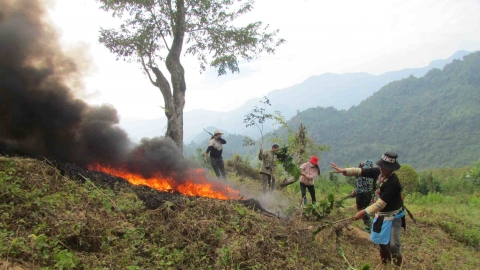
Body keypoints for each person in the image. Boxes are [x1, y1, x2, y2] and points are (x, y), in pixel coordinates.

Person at [330, 152, 405, 267]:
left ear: (391, 169)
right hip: (381, 216)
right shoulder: (379, 173)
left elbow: (380, 204)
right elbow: (362, 171)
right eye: (382, 165)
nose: (382, 168)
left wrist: (363, 212)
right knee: (382, 244)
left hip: (394, 215)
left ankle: (397, 266)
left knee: (394, 245)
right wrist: (343, 170)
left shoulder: (393, 183)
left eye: (385, 167)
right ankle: (385, 266)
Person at [351, 160, 374, 232]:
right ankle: (370, 225)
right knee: (364, 210)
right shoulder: (371, 175)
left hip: (362, 195)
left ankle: (370, 226)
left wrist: (356, 191)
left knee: (362, 211)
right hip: (368, 195)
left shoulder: (362, 174)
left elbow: (360, 183)